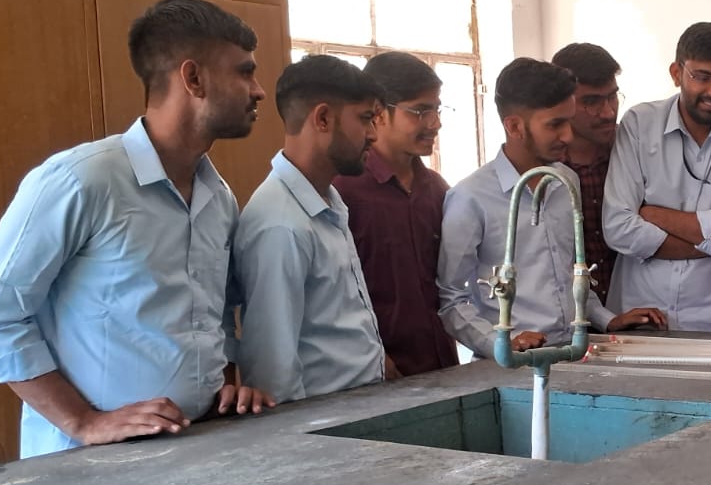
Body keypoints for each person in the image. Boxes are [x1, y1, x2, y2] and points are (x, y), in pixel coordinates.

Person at [0, 0, 274, 457]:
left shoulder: (218, 197)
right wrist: (83, 421)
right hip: (91, 466)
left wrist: (221, 388)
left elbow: (217, 314)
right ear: (193, 78)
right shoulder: (82, 180)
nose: (259, 91)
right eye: (244, 72)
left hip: (196, 448)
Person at [438, 58, 667, 359]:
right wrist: (501, 342)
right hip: (510, 366)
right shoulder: (470, 197)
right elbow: (452, 299)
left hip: (573, 354)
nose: (568, 136)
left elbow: (570, 273)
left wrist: (607, 319)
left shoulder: (566, 180)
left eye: (568, 121)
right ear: (514, 126)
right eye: (555, 124)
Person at [234, 55, 388, 403]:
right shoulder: (280, 224)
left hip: (357, 410)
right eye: (365, 119)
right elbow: (273, 373)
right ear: (323, 119)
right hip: (325, 423)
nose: (373, 135)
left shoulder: (325, 199)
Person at [603, 22, 711, 333]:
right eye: (703, 77)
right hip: (641, 317)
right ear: (676, 73)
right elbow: (618, 228)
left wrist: (654, 215)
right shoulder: (639, 124)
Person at [332, 52, 459, 376]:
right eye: (420, 111)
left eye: (437, 109)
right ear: (378, 114)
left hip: (443, 367)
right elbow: (335, 295)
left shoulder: (437, 190)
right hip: (375, 374)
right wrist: (373, 357)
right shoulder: (342, 191)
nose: (435, 123)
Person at [551, 42, 623, 302]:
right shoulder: (544, 169)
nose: (609, 112)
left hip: (635, 307)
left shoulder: (634, 154)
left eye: (612, 96)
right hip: (568, 314)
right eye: (591, 102)